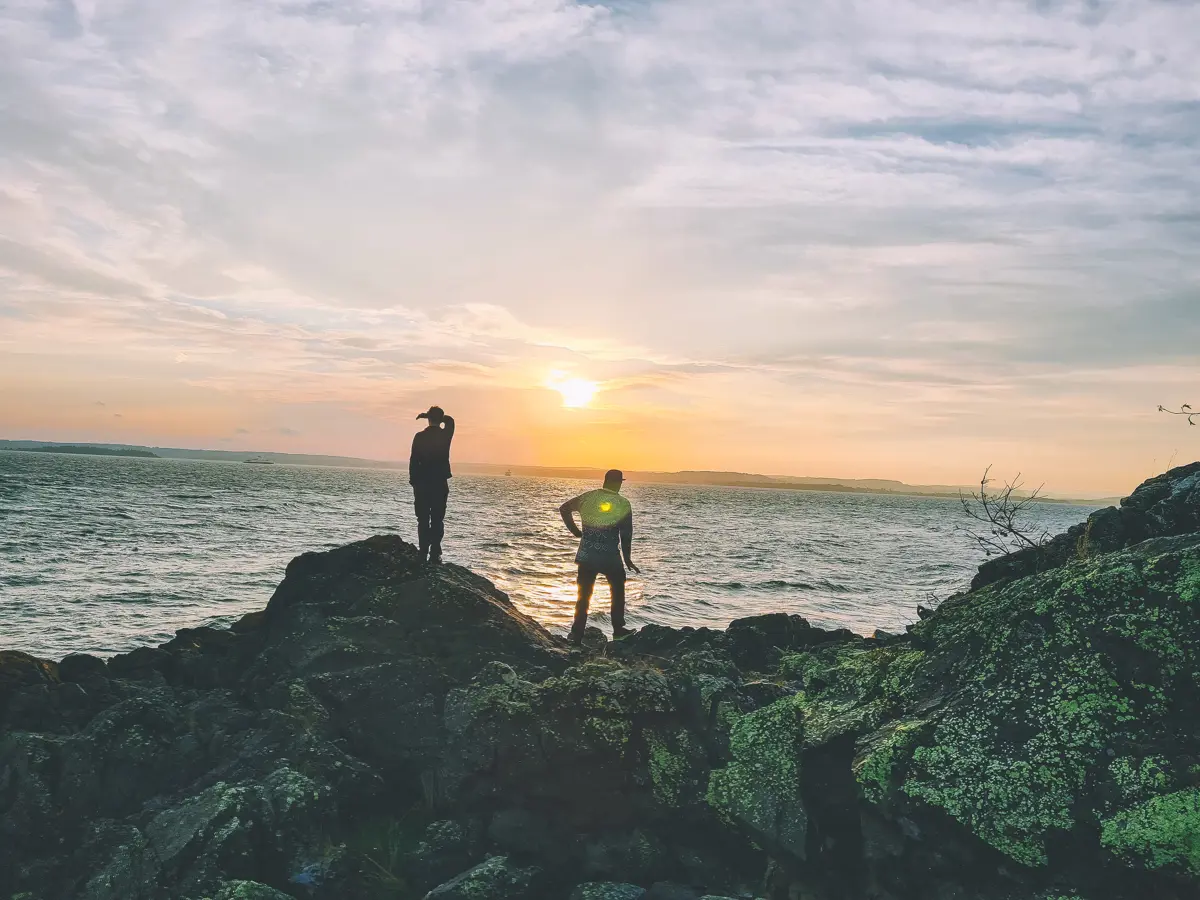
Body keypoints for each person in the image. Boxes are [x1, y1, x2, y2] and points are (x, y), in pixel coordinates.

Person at [559, 469, 641, 644]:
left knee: (583, 596)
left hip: (586, 556)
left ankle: (576, 636)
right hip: (610, 558)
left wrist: (575, 532)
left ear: (605, 480)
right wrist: (627, 559)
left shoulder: (588, 497)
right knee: (617, 591)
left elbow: (564, 508)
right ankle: (618, 629)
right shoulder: (623, 504)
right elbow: (626, 536)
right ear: (619, 483)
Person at [409, 406, 455, 564]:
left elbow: (413, 460)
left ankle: (422, 552)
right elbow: (450, 421)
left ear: (429, 418)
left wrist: (413, 481)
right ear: (440, 418)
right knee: (437, 519)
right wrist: (433, 416)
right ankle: (435, 553)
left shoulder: (419, 437)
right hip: (439, 483)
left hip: (422, 483)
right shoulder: (445, 435)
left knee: (422, 519)